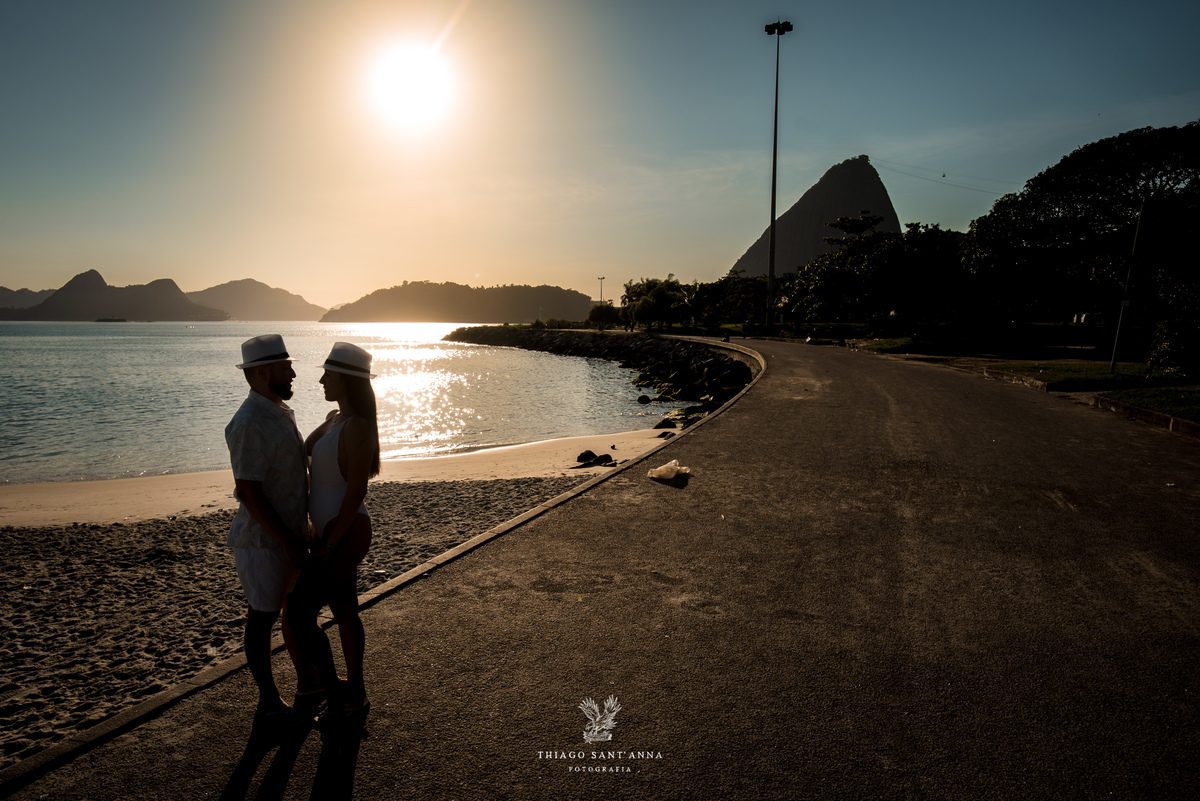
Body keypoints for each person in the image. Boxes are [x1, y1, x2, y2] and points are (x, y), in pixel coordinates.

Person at [225, 334, 317, 728]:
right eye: (285, 367)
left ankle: (308, 687)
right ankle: (267, 702)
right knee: (262, 618)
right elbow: (248, 490)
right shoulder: (249, 422)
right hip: (264, 543)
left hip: (289, 536)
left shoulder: (277, 411)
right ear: (262, 373)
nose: (293, 372)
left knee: (293, 615)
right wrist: (288, 541)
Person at [286, 341, 381, 724]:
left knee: (297, 615)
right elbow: (303, 455)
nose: (322, 379)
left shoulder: (357, 425)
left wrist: (329, 541)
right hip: (329, 532)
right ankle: (353, 695)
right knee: (343, 610)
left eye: (330, 374)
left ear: (347, 380)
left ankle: (337, 695)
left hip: (346, 531)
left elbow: (357, 490)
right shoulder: (333, 418)